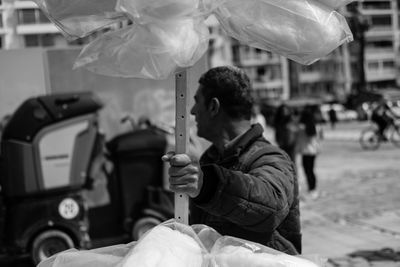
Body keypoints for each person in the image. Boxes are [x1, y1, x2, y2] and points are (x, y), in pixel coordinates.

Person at [162, 66, 301, 255]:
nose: (193, 111)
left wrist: (206, 183)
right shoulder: (210, 158)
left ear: (213, 107)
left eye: (197, 102)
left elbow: (271, 206)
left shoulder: (269, 157)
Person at [297, 106, 321, 200]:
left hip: (306, 152)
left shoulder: (301, 127)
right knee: (311, 170)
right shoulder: (314, 125)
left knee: (308, 171)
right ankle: (313, 189)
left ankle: (312, 189)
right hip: (313, 151)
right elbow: (319, 138)